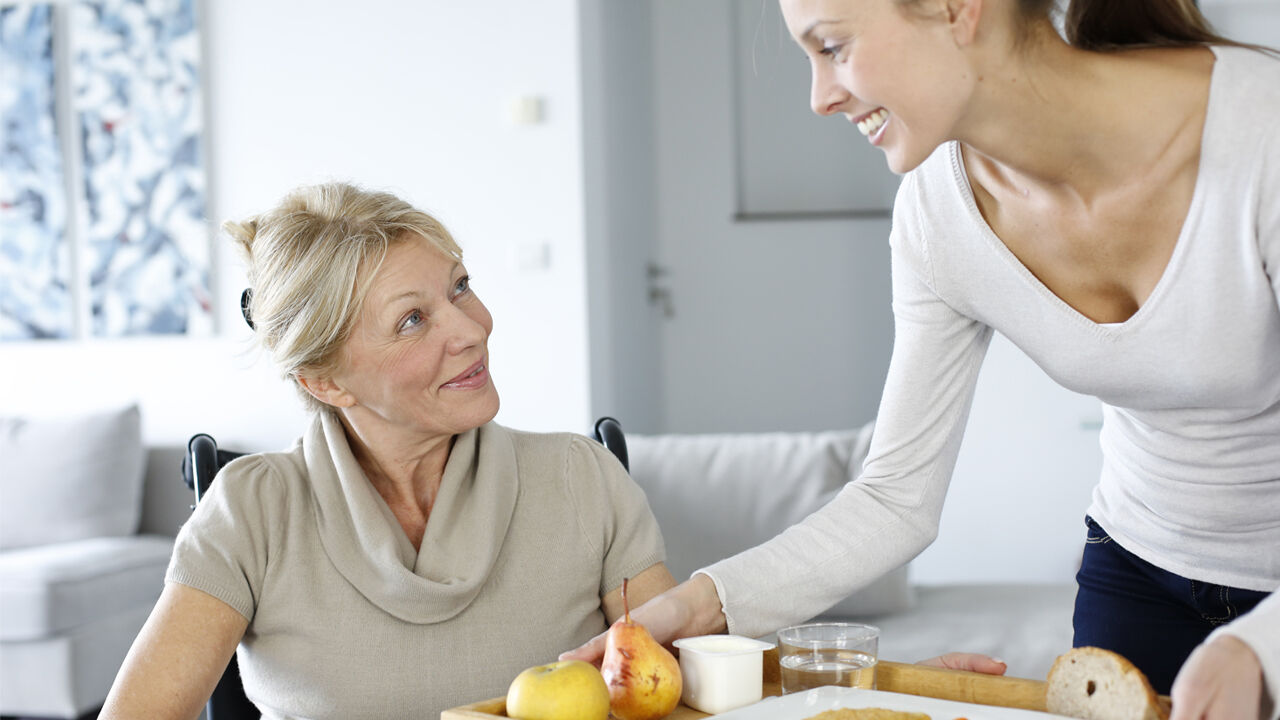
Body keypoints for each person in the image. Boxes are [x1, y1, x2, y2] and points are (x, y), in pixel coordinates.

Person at [564, 0, 1279, 717]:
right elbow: (894, 499)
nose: (818, 97)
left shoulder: (1260, 135)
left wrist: (1258, 645)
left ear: (955, 8)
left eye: (834, 47)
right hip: (1137, 571)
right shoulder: (939, 216)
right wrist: (698, 606)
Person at [98, 183, 677, 719]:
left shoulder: (582, 479)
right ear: (326, 382)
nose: (472, 329)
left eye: (459, 287)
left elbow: (675, 696)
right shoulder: (253, 511)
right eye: (412, 320)